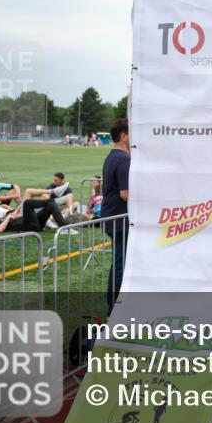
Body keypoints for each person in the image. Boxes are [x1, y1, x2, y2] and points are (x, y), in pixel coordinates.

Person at [101, 119, 130, 311]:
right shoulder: (122, 159)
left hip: (113, 216)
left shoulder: (113, 156)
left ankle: (115, 303)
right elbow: (125, 193)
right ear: (124, 136)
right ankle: (116, 306)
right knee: (121, 263)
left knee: (119, 261)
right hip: (119, 218)